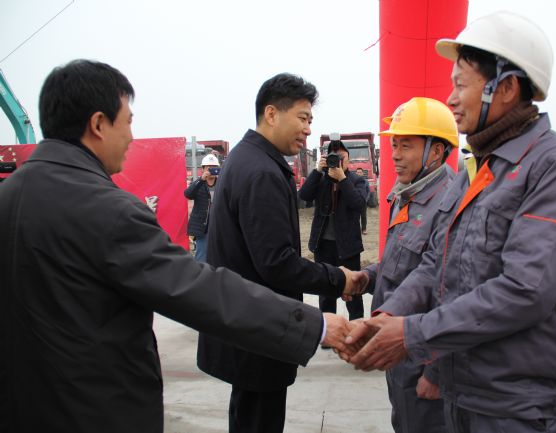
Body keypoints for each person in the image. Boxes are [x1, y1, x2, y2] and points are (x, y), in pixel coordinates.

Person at [0, 60, 354, 433]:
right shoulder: (110, 212)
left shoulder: (9, 197)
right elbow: (199, 290)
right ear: (99, 124)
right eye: (128, 122)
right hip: (93, 409)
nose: (131, 137)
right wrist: (313, 325)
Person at [344, 11, 556, 433]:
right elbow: (437, 265)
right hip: (464, 395)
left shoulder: (555, 168)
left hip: (518, 408)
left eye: (460, 84)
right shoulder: (484, 171)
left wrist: (412, 333)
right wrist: (387, 315)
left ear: (506, 88)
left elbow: (526, 290)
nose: (450, 99)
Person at [196, 73, 366, 433]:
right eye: (302, 118)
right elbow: (277, 264)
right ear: (271, 114)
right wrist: (339, 279)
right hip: (259, 329)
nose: (308, 130)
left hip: (246, 325)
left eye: (310, 120)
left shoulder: (246, 159)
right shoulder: (262, 173)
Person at [363, 97, 457, 433]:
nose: (395, 155)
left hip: (424, 357)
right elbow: (401, 264)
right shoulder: (408, 195)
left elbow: (449, 291)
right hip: (399, 351)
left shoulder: (451, 203)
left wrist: (435, 372)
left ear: (436, 151)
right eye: (394, 145)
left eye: (406, 145)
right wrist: (365, 277)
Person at [299, 138, 368, 322]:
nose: (337, 161)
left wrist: (342, 179)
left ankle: (357, 328)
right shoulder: (322, 179)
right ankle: (329, 329)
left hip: (348, 246)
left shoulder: (357, 180)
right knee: (326, 293)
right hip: (323, 245)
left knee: (353, 291)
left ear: (348, 159)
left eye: (341, 157)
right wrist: (316, 171)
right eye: (333, 157)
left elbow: (358, 204)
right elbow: (304, 196)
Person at [184, 153, 220, 261]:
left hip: (219, 225)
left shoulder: (222, 183)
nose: (211, 170)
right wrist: (201, 179)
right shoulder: (199, 184)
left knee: (220, 254)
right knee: (202, 256)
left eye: (214, 167)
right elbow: (188, 194)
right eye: (209, 167)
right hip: (202, 226)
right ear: (203, 169)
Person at [356, 167, 370, 234]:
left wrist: (366, 199)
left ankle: (364, 229)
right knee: (356, 216)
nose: (359, 173)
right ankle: (356, 230)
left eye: (360, 172)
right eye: (358, 172)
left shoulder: (366, 182)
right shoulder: (354, 181)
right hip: (356, 202)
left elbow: (368, 191)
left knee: (363, 216)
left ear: (362, 173)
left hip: (363, 202)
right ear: (356, 173)